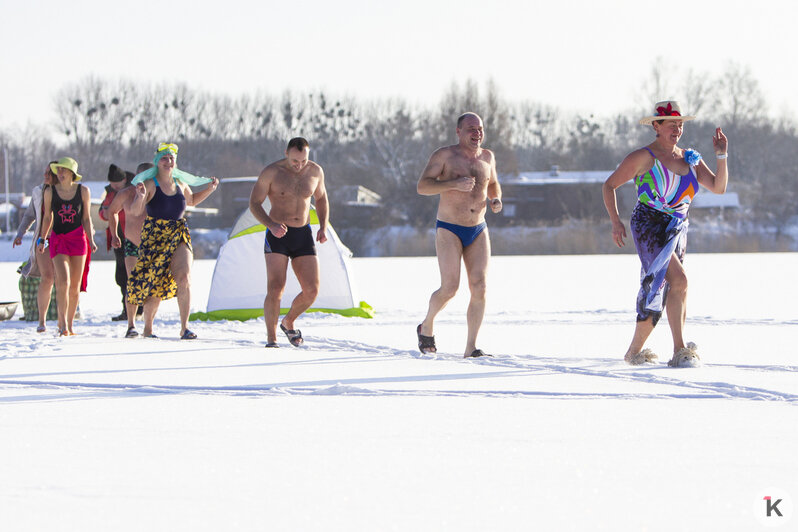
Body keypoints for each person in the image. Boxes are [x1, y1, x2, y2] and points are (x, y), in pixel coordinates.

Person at [602, 100, 729, 367]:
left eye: (680, 124)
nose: (677, 129)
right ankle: (680, 350)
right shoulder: (643, 157)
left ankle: (635, 352)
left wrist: (721, 155)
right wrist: (616, 221)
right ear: (656, 126)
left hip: (678, 227)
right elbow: (609, 185)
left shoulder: (691, 158)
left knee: (672, 286)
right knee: (676, 280)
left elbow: (718, 188)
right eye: (672, 124)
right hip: (649, 224)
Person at [416, 112, 503, 358]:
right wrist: (451, 184)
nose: (477, 133)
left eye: (480, 129)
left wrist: (496, 199)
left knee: (480, 286)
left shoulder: (488, 156)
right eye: (471, 129)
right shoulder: (444, 155)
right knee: (450, 287)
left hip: (478, 227)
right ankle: (427, 325)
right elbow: (422, 186)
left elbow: (493, 183)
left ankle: (471, 347)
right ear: (458, 131)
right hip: (449, 228)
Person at [126, 143, 218, 339]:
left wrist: (210, 189)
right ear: (157, 162)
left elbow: (191, 200)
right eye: (165, 158)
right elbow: (134, 211)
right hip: (155, 236)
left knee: (184, 277)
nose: (169, 162)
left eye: (172, 158)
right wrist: (140, 197)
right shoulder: (151, 184)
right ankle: (147, 328)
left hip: (178, 233)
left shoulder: (180, 183)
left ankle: (185, 327)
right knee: (154, 284)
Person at [248, 137, 329, 348]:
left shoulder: (315, 171)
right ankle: (271, 338)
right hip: (277, 234)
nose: (299, 165)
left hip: (303, 233)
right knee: (276, 288)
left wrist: (323, 226)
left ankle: (289, 321)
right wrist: (270, 224)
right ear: (286, 153)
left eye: (303, 161)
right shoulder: (272, 172)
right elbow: (254, 203)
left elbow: (320, 198)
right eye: (295, 160)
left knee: (312, 290)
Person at [37, 157, 98, 336]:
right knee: (63, 280)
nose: (60, 173)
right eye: (58, 170)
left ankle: (70, 326)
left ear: (72, 172)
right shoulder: (50, 192)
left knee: (74, 286)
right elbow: (48, 218)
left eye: (63, 170)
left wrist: (91, 240)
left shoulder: (83, 191)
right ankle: (62, 323)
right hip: (58, 239)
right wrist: (42, 240)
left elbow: (86, 218)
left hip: (78, 239)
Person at [108, 162, 152, 338]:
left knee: (152, 285)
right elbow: (112, 211)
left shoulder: (158, 193)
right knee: (132, 282)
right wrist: (114, 234)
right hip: (132, 242)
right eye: (143, 177)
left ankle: (148, 326)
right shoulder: (126, 194)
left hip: (154, 244)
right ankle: (131, 325)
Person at [12, 161, 57, 332]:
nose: (45, 175)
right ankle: (42, 321)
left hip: (63, 239)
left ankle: (65, 319)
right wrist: (20, 234)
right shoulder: (38, 192)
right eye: (44, 172)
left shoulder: (64, 192)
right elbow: (30, 215)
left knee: (64, 279)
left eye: (49, 173)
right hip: (43, 240)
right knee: (47, 277)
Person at [99, 164, 131, 321]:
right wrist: (104, 213)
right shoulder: (110, 193)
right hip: (117, 237)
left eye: (117, 184)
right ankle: (127, 308)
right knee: (121, 275)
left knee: (133, 274)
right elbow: (103, 212)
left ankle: (137, 309)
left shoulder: (132, 189)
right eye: (112, 184)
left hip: (134, 235)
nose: (114, 187)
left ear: (124, 180)